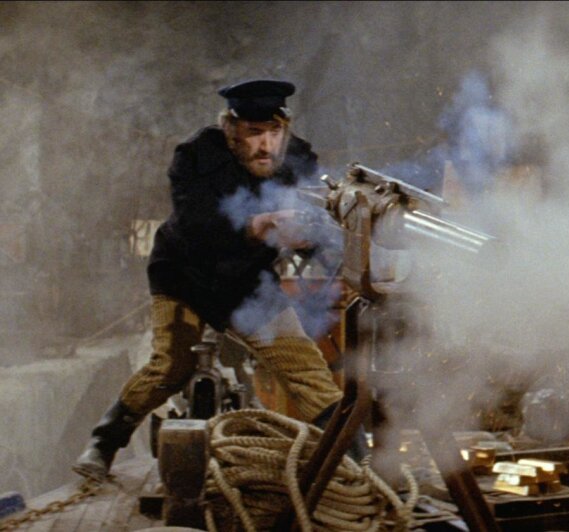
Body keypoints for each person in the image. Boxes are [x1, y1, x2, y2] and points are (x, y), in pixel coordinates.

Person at [73, 79, 363, 480]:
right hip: (184, 274)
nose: (266, 146)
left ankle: (359, 463)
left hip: (247, 283)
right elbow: (195, 225)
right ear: (231, 131)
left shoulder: (299, 160)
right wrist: (256, 226)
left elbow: (317, 223)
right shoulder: (194, 156)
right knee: (170, 366)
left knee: (303, 367)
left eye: (274, 132)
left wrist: (321, 246)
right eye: (254, 133)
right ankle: (102, 444)